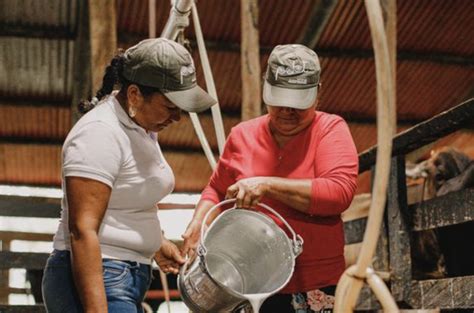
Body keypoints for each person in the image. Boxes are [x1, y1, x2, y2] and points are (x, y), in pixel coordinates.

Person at [41, 38, 216, 313]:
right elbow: (82, 230)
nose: (178, 117)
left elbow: (128, 196)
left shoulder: (141, 127)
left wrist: (156, 243)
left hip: (124, 273)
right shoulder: (99, 132)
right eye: (170, 107)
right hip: (98, 274)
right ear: (134, 94)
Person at [181, 44, 359, 313]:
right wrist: (198, 222)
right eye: (280, 100)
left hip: (313, 282)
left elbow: (338, 193)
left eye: (298, 103)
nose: (287, 110)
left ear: (318, 94)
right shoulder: (242, 135)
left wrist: (267, 185)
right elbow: (217, 189)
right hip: (248, 279)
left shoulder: (329, 129)